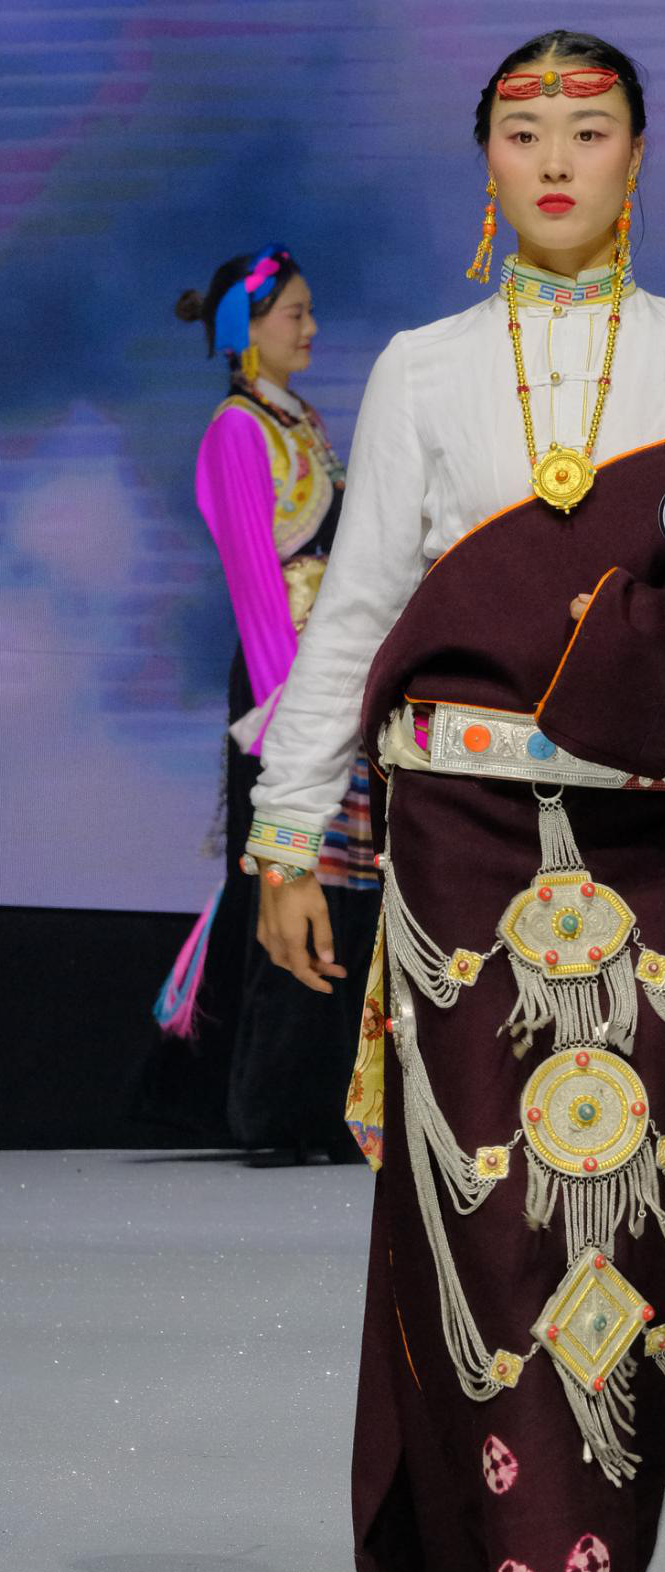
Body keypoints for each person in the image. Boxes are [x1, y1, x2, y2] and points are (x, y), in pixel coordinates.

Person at [245, 33, 665, 1572]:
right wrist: (288, 830)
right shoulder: (423, 368)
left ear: (639, 153)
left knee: (630, 1240)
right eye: (525, 133)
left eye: (590, 128)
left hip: (640, 855)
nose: (558, 159)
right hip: (458, 852)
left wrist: (636, 649)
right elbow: (359, 613)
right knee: (488, 1242)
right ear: (487, 162)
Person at [143, 244, 380, 1165]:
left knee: (343, 881)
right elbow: (254, 583)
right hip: (286, 685)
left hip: (331, 675)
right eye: (295, 313)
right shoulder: (237, 431)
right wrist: (293, 717)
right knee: (287, 877)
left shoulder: (300, 421)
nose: (312, 328)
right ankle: (270, 1105)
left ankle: (324, 1100)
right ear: (248, 329)